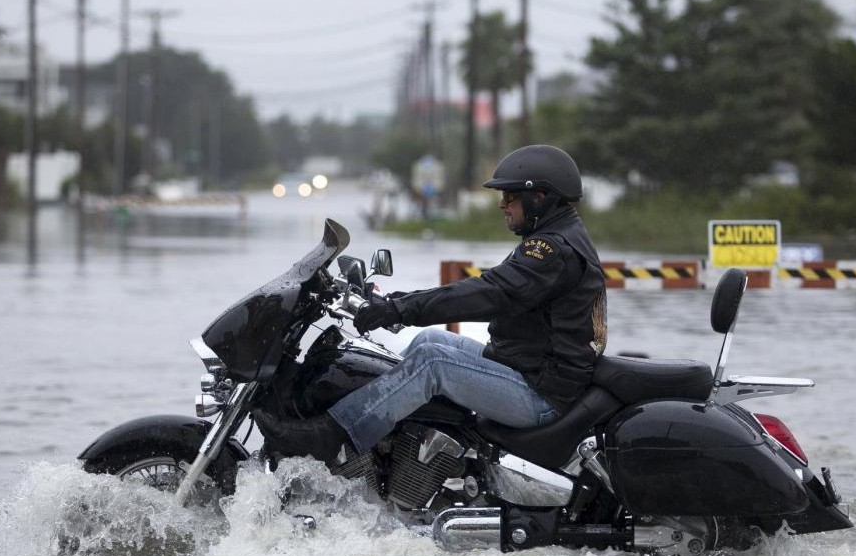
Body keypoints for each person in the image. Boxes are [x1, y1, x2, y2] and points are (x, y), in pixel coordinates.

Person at [255, 144, 608, 466]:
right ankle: (405, 458)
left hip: (541, 396)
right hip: (527, 369)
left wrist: (399, 309)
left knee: (433, 362)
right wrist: (393, 303)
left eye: (510, 196)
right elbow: (488, 290)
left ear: (540, 198)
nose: (502, 204)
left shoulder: (552, 251)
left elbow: (489, 293)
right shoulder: (556, 238)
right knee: (428, 343)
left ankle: (331, 438)